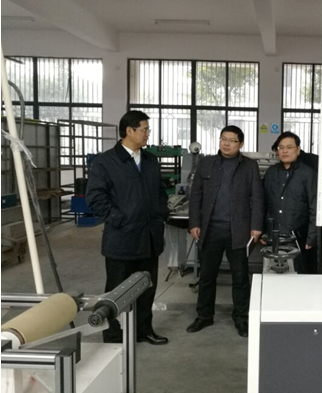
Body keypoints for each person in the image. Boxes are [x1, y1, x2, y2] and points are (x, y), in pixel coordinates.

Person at [86, 110, 169, 345]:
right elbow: (95, 197)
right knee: (115, 291)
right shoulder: (106, 162)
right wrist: (120, 219)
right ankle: (113, 336)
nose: (147, 134)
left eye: (147, 129)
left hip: (149, 237)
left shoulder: (150, 160)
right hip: (122, 238)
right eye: (144, 129)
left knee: (146, 288)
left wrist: (160, 212)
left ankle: (144, 330)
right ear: (129, 131)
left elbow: (160, 191)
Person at [187, 126, 264, 337]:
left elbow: (257, 197)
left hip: (238, 231)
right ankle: (204, 316)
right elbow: (195, 195)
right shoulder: (206, 163)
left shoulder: (249, 166)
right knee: (207, 276)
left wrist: (256, 226)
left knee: (240, 277)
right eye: (223, 139)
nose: (226, 143)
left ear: (241, 144)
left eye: (232, 140)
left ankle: (241, 318)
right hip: (210, 230)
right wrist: (194, 223)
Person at [263, 132, 317, 274]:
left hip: (298, 234)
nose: (285, 151)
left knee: (298, 273)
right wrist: (263, 231)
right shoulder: (271, 172)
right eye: (281, 147)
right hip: (274, 234)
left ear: (298, 150)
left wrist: (312, 236)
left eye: (289, 147)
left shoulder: (308, 173)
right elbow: (264, 203)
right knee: (273, 273)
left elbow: (314, 206)